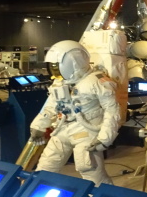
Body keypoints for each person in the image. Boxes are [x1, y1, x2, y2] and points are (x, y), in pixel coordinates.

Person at [29, 40, 122, 185]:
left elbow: (112, 111)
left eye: (56, 66)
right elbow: (51, 106)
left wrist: (105, 138)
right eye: (52, 66)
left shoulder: (97, 81)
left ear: (73, 63)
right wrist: (39, 125)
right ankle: (36, 192)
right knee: (46, 168)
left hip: (86, 131)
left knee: (90, 171)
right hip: (62, 128)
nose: (54, 71)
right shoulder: (60, 83)